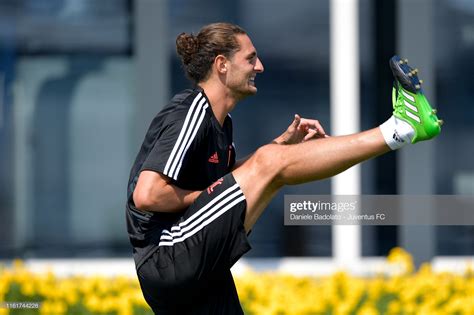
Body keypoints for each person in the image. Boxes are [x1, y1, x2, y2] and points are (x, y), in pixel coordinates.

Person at [126, 22, 442, 314]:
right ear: (222, 65)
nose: (260, 67)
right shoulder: (191, 111)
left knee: (269, 160)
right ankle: (400, 128)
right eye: (251, 59)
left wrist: (281, 146)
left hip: (194, 267)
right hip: (167, 254)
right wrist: (214, 195)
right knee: (268, 164)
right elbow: (148, 193)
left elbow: (228, 182)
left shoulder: (222, 124)